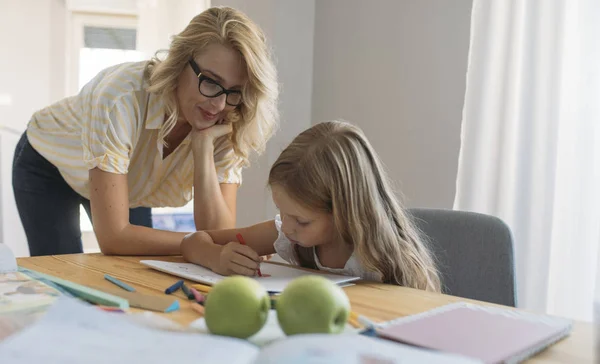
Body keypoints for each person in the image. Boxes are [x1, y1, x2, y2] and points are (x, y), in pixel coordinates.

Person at [12, 6, 279, 257]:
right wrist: (192, 245)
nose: (219, 104)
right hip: (49, 164)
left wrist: (203, 147)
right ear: (180, 62)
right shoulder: (120, 97)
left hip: (129, 181)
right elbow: (114, 238)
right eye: (210, 82)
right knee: (64, 271)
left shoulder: (227, 117)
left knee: (136, 269)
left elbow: (219, 234)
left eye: (235, 91)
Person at [181, 121, 441, 291]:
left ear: (344, 211)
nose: (287, 227)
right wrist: (215, 257)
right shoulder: (286, 233)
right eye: (282, 212)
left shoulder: (391, 262)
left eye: (301, 221)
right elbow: (194, 241)